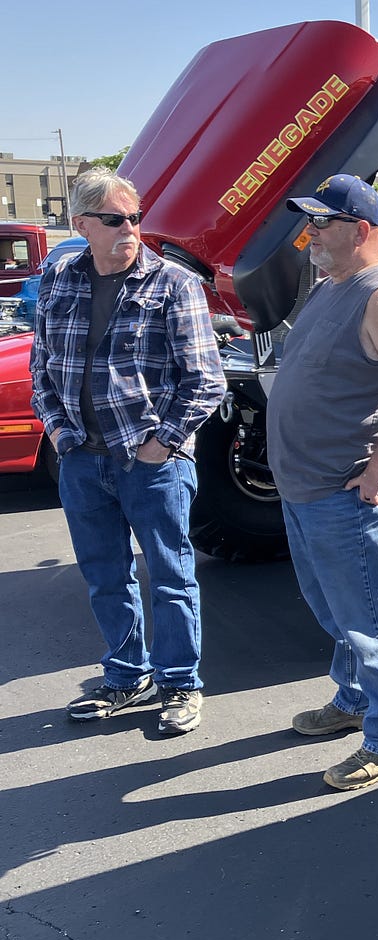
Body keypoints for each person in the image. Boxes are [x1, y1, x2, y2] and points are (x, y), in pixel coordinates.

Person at [29, 168, 224, 734]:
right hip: (82, 460)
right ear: (82, 225)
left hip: (151, 463)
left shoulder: (173, 283)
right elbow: (42, 368)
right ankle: (125, 676)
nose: (130, 229)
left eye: (136, 218)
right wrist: (61, 436)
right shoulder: (60, 277)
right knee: (105, 577)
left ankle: (180, 682)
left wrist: (162, 445)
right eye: (115, 220)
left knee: (171, 576)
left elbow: (206, 380)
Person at [270, 174, 378, 791]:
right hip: (307, 487)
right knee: (338, 610)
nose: (311, 232)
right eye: (310, 221)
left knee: (371, 617)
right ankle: (354, 700)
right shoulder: (332, 286)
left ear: (362, 230)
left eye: (323, 222)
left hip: (349, 490)